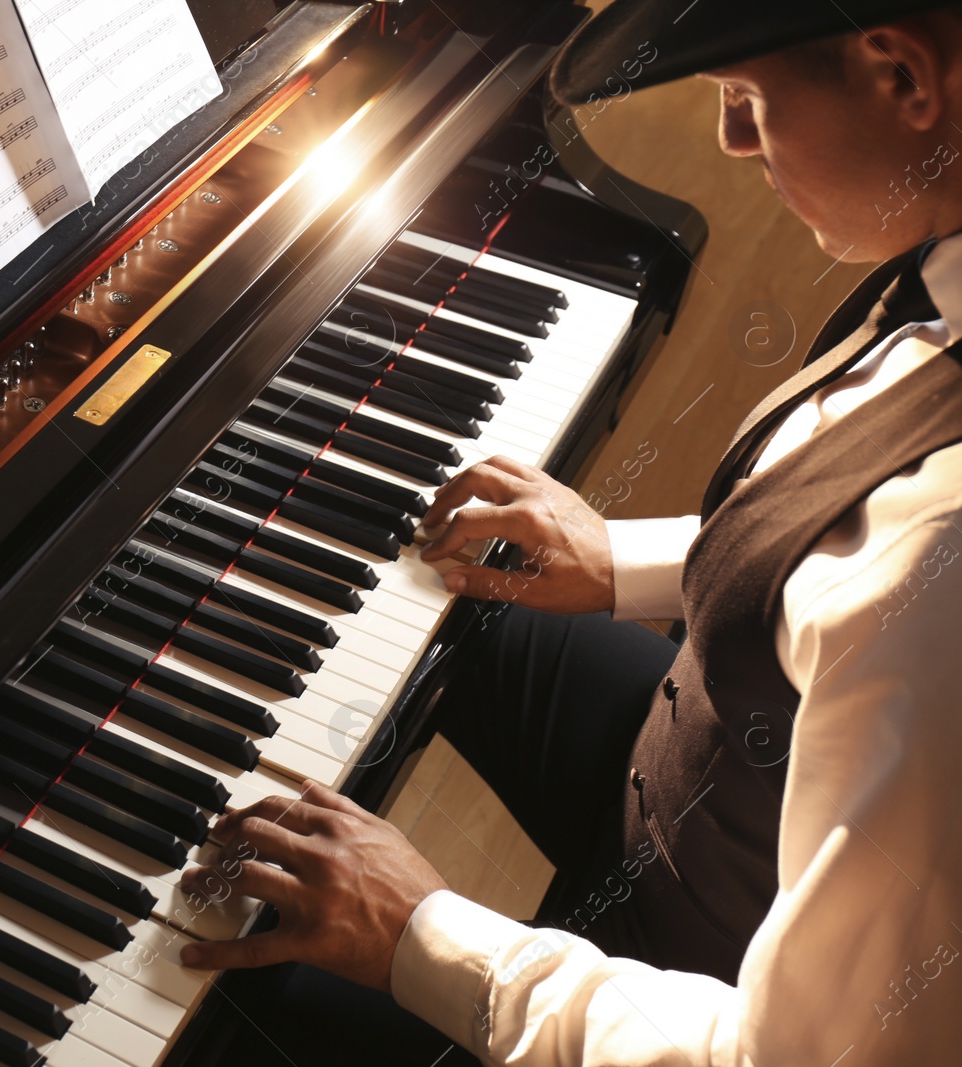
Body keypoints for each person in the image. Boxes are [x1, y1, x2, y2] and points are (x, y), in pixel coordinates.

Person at [178, 1, 962, 1064]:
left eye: (745, 98)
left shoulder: (939, 562)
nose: (733, 141)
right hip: (721, 777)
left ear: (904, 78)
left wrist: (421, 932)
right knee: (438, 582)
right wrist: (623, 559)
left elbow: (797, 1054)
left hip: (710, 991)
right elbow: (843, 555)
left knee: (212, 1000)